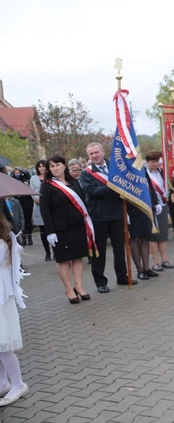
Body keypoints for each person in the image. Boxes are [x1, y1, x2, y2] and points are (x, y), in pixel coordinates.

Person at [80, 142, 134, 292]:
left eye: (97, 152)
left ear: (103, 152)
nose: (95, 156)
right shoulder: (86, 173)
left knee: (119, 248)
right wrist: (113, 186)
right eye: (91, 154)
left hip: (117, 213)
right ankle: (100, 282)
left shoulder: (116, 168)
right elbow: (93, 192)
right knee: (100, 251)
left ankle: (122, 276)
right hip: (98, 216)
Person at [39, 155, 93, 305]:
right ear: (49, 169)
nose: (55, 168)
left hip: (77, 227)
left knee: (77, 257)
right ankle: (69, 289)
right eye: (52, 166)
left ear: (64, 166)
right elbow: (45, 210)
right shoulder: (47, 186)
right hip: (59, 230)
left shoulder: (74, 182)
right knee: (63, 260)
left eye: (58, 165)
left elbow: (82, 203)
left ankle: (79, 287)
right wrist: (49, 232)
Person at [0, 213, 29, 406]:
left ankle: (18, 383)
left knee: (3, 347)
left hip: (1, 301)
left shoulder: (2, 243)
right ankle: (3, 382)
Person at [145, 151, 174, 272]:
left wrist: (169, 193)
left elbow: (168, 186)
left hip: (162, 206)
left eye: (157, 161)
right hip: (150, 207)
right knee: (153, 236)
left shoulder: (162, 172)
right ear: (148, 162)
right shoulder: (144, 174)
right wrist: (153, 204)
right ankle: (155, 262)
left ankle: (164, 260)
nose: (155, 163)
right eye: (152, 161)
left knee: (162, 235)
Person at [30, 160, 52, 261]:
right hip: (39, 208)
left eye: (43, 166)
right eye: (39, 167)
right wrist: (39, 200)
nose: (42, 168)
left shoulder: (50, 177)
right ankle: (47, 252)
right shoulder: (34, 178)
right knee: (43, 231)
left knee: (53, 229)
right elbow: (32, 192)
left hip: (51, 208)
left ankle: (56, 252)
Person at [11, 169, 32, 246]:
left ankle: (29, 237)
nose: (17, 174)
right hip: (18, 201)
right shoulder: (12, 181)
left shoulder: (26, 180)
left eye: (18, 173)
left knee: (28, 220)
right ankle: (23, 238)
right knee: (20, 219)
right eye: (15, 173)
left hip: (27, 201)